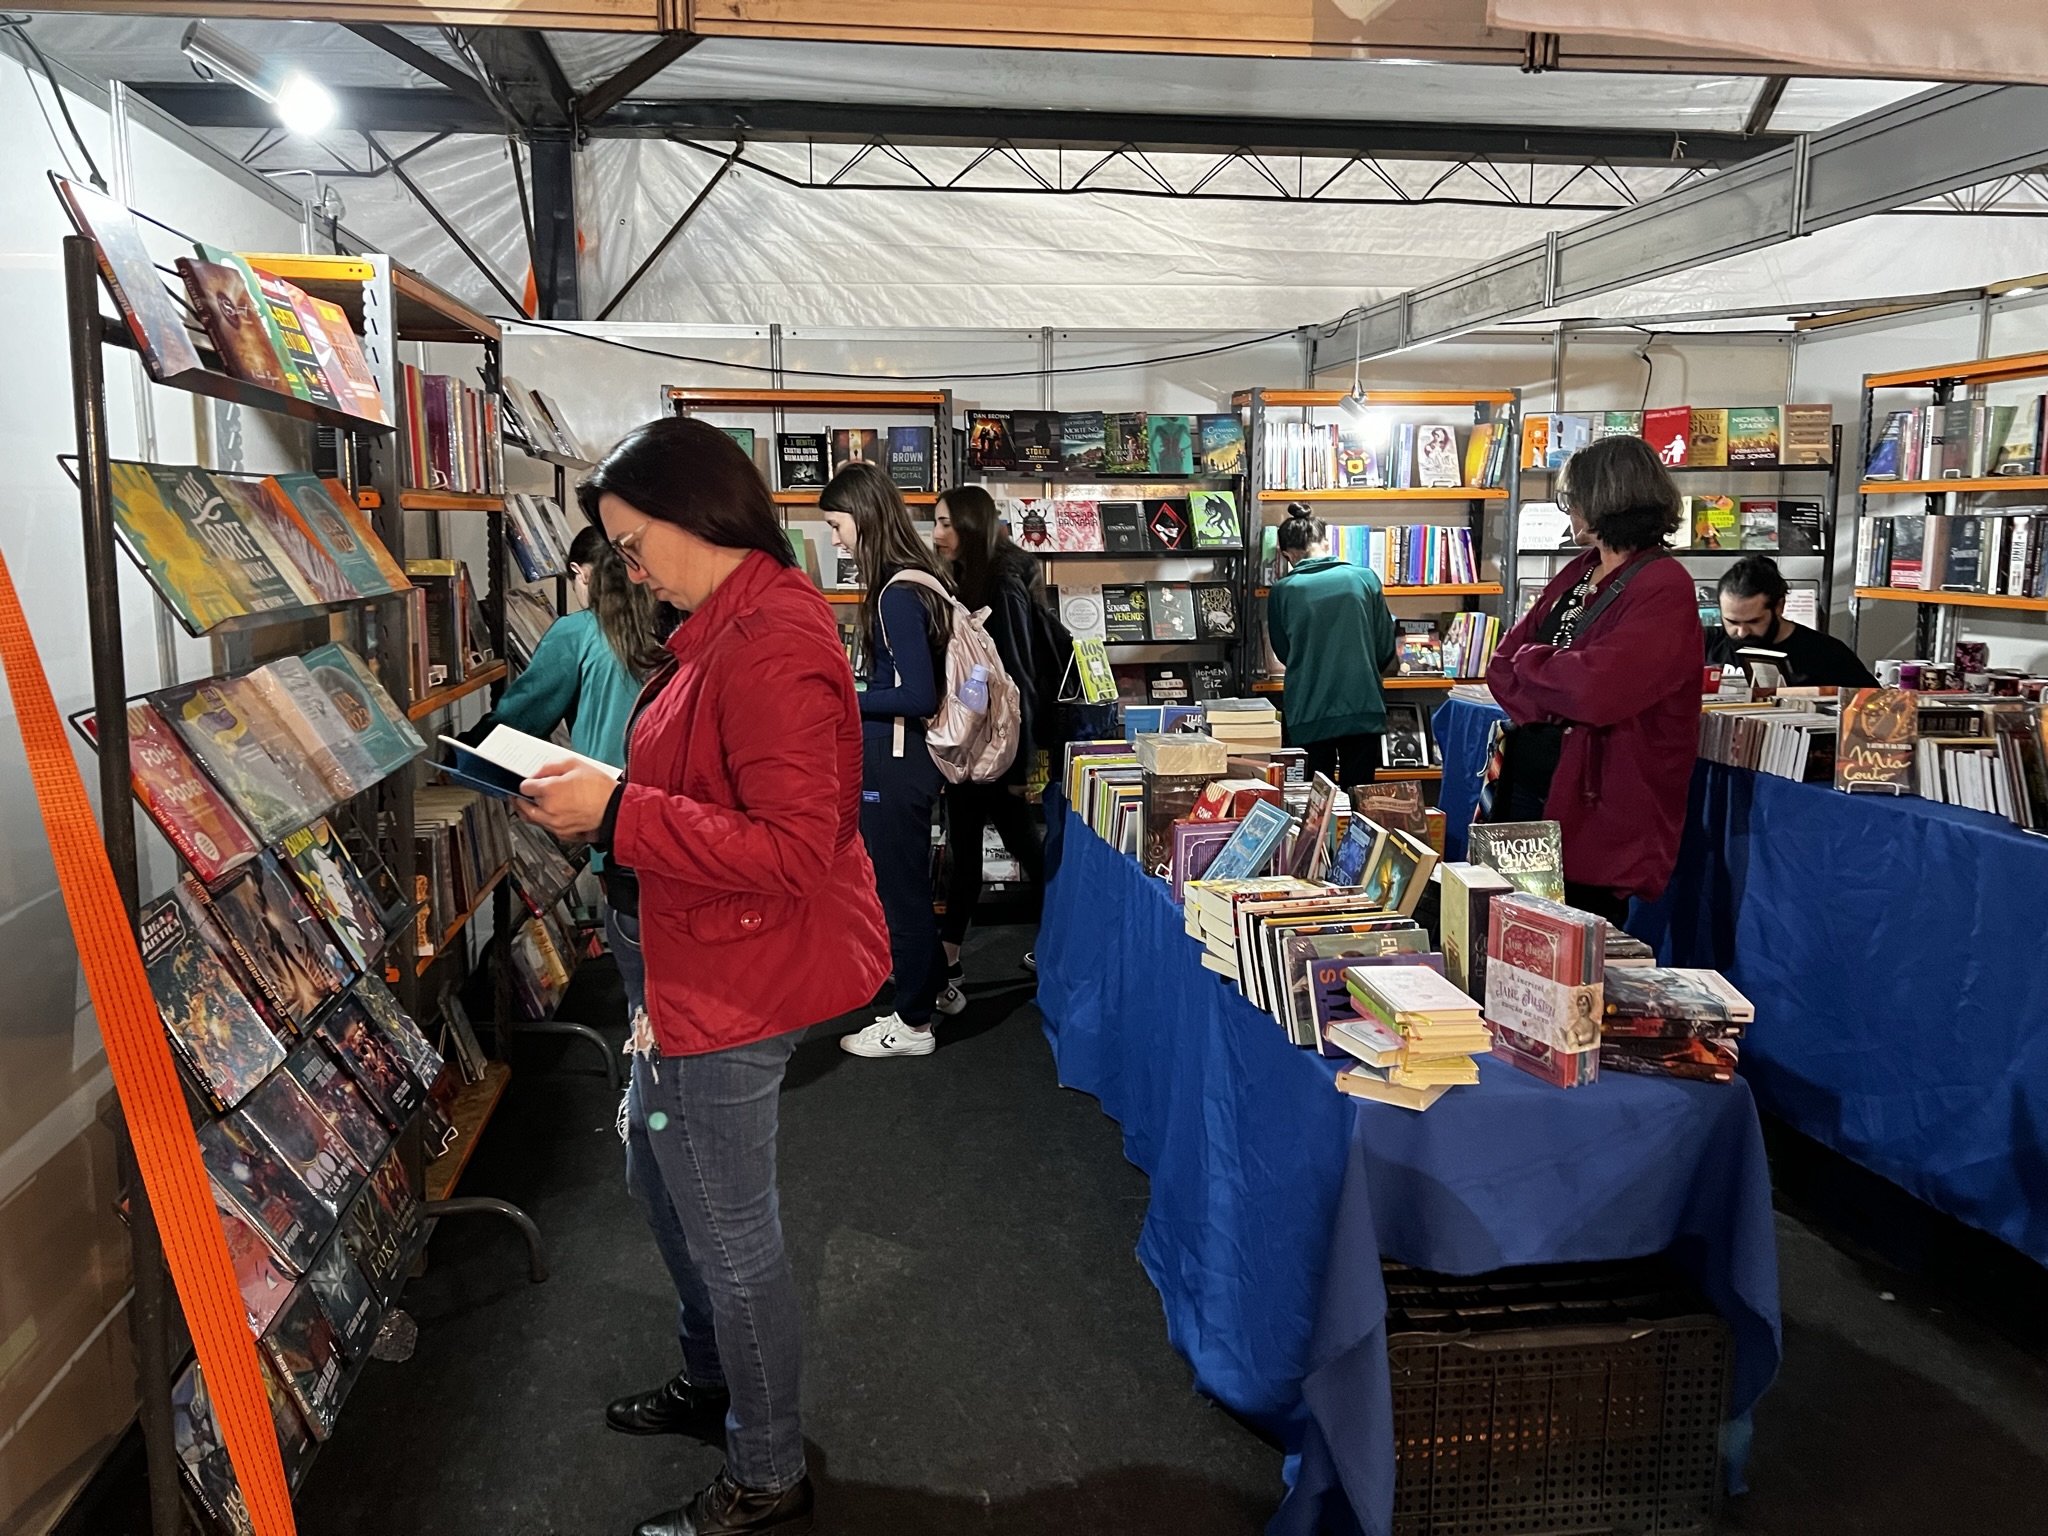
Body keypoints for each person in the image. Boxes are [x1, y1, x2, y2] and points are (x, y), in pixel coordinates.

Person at [517, 415, 890, 1536]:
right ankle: (717, 1376)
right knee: (659, 1176)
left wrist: (618, 811)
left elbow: (792, 848)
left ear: (696, 514)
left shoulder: (768, 639)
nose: (630, 572)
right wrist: (614, 799)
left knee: (730, 1231)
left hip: (735, 978)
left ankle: (767, 1473)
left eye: (634, 546)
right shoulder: (726, 621)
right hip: (687, 957)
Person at [1484, 434, 1704, 927]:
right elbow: (1502, 664)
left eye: (1572, 498)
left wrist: (1540, 671)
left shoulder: (1664, 584)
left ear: (1604, 500)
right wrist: (1555, 694)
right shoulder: (1581, 569)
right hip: (1531, 782)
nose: (1568, 511)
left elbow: (1597, 691)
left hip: (1597, 803)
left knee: (1576, 940)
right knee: (1509, 930)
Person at [818, 460, 966, 1059]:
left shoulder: (894, 595)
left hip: (897, 759)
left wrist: (846, 698)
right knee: (905, 885)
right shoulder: (918, 580)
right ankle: (929, 990)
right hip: (907, 759)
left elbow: (918, 695)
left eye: (837, 525)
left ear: (864, 516)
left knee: (900, 891)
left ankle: (912, 1023)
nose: (835, 540)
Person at [929, 485, 1052, 984]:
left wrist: (1020, 766)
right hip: (971, 747)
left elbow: (1021, 678)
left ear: (971, 526)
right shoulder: (963, 577)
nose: (937, 533)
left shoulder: (1003, 585)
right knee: (967, 855)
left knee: (1029, 855)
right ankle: (949, 960)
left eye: (945, 523)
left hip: (999, 752)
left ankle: (1058, 945)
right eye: (936, 522)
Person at [1266, 503, 1397, 786]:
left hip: (1309, 707)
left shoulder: (1283, 591)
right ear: (1326, 542)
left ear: (1287, 554)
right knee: (1360, 796)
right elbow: (1385, 647)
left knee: (1315, 800)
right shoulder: (1364, 578)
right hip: (1362, 703)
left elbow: (1284, 652)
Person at [1707, 554, 1876, 687]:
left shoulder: (1828, 654)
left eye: (1754, 621)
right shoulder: (1705, 643)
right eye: (1732, 622)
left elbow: (1875, 707)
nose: (1742, 632)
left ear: (1779, 606)